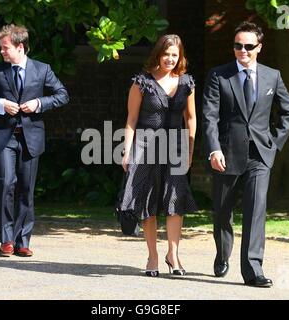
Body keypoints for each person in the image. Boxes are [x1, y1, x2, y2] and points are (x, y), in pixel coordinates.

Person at [202, 21, 289, 287]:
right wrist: (214, 148)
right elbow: (209, 116)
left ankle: (253, 270)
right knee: (222, 212)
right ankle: (223, 253)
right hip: (226, 153)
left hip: (260, 156)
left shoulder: (272, 76)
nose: (242, 50)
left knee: (255, 211)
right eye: (237, 46)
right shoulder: (219, 76)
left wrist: (274, 143)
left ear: (259, 48)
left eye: (248, 46)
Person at [0, 24, 69, 257]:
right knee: (6, 184)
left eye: (5, 48)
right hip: (4, 138)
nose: (2, 52)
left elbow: (62, 95)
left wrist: (39, 104)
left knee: (26, 189)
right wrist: (0, 104)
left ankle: (22, 241)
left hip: (31, 138)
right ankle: (6, 240)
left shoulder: (42, 69)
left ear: (20, 47)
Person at [121, 34, 198, 277]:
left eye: (175, 55)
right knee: (149, 203)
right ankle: (153, 256)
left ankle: (173, 255)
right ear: (158, 54)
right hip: (146, 147)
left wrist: (189, 151)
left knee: (175, 202)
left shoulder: (187, 83)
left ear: (180, 56)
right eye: (167, 54)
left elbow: (191, 119)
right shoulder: (142, 82)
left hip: (175, 148)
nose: (170, 59)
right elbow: (131, 119)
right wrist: (126, 151)